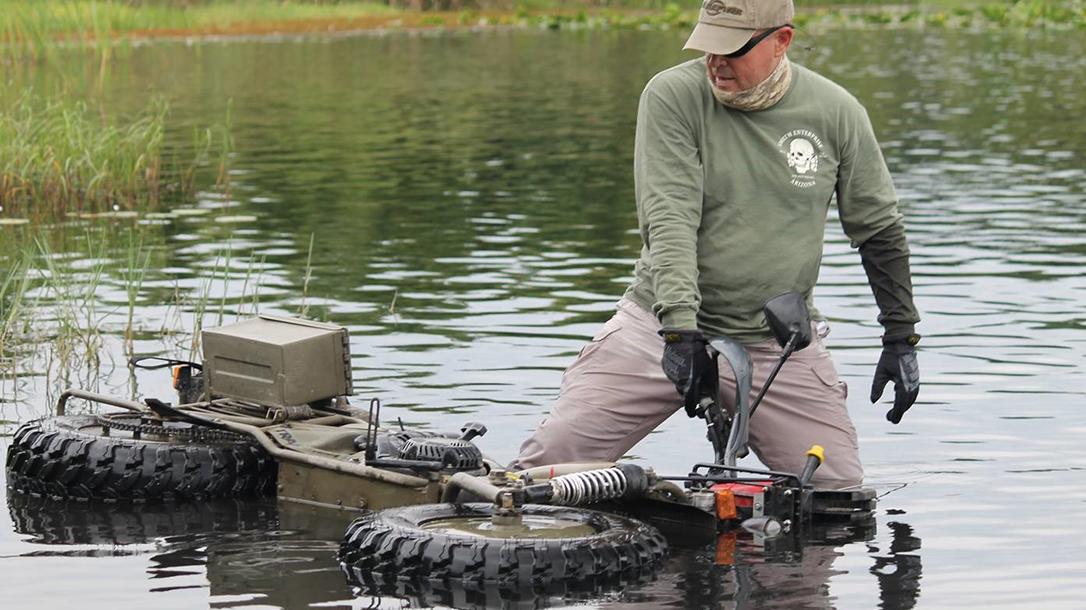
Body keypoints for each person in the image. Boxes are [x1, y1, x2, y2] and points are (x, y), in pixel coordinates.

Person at [509, 0, 920, 486]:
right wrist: (680, 331)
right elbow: (670, 218)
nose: (716, 62)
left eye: (733, 49)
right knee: (536, 479)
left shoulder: (836, 111)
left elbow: (879, 231)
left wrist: (900, 336)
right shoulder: (672, 95)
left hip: (776, 342)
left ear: (781, 41)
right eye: (708, 47)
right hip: (658, 327)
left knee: (837, 493)